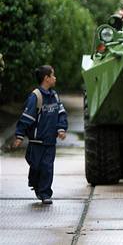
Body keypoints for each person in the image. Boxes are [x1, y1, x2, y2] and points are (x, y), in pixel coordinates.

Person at [12, 65, 68, 204]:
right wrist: (19, 135)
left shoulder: (54, 96)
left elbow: (61, 114)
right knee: (36, 166)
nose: (55, 78)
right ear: (46, 78)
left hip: (50, 142)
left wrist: (61, 128)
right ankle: (35, 184)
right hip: (36, 142)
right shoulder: (35, 96)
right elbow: (27, 117)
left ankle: (45, 193)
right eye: (53, 75)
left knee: (47, 167)